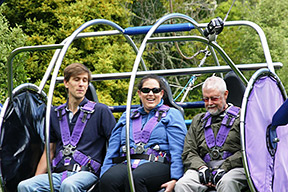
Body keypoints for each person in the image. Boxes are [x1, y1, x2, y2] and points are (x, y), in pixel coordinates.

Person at [17, 63, 116, 192]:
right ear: (66, 83)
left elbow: (115, 144)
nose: (81, 84)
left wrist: (108, 175)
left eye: (84, 80)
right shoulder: (54, 113)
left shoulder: (100, 111)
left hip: (87, 173)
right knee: (25, 186)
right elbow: (49, 152)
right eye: (76, 79)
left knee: (69, 185)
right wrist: (37, 178)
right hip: (60, 173)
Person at [99, 74, 187, 192]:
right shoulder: (128, 116)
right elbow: (113, 148)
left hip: (158, 163)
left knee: (137, 178)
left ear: (161, 94)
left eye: (155, 90)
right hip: (128, 163)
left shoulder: (172, 114)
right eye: (146, 90)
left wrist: (176, 178)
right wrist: (104, 173)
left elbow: (178, 149)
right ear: (140, 94)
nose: (150, 94)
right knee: (109, 180)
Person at [175, 76, 248, 192]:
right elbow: (189, 151)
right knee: (183, 185)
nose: (209, 103)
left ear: (225, 94)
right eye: (205, 99)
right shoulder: (198, 121)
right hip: (204, 167)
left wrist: (225, 167)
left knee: (227, 183)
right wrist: (202, 168)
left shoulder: (243, 119)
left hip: (234, 168)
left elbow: (248, 150)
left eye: (214, 99)